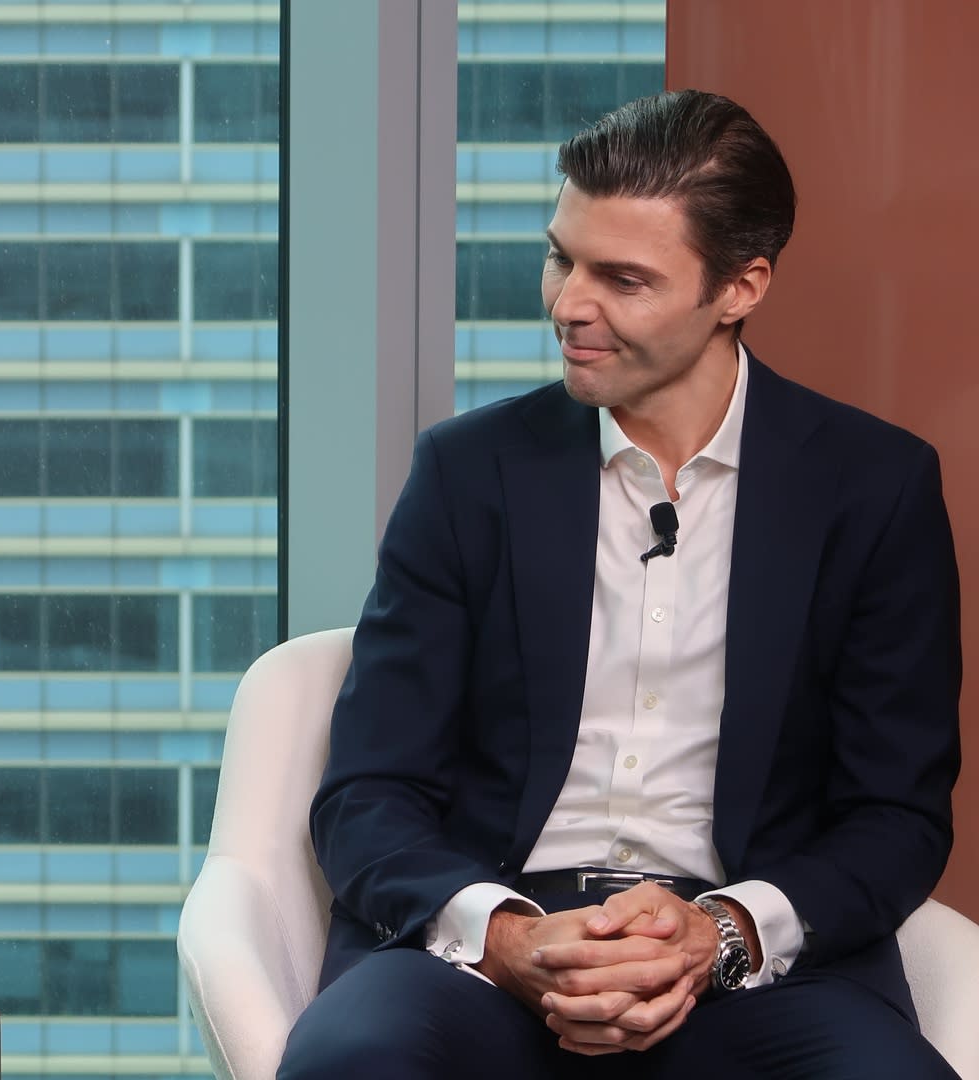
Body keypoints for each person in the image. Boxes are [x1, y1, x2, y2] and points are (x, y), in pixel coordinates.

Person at [279, 90, 961, 1078]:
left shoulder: (874, 488)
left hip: (750, 969)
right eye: (563, 258)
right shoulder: (467, 473)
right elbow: (368, 792)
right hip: (485, 953)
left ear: (741, 287)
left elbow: (896, 816)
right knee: (351, 1059)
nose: (569, 304)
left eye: (623, 279)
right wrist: (507, 937)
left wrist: (719, 933)